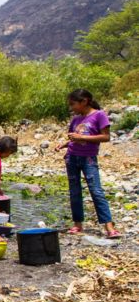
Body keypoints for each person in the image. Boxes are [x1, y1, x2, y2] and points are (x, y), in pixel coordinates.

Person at [55, 89, 121, 239]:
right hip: (72, 157)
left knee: (96, 190)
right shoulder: (76, 119)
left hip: (88, 159)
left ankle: (109, 227)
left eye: (73, 104)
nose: (72, 108)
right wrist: (63, 144)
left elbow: (106, 137)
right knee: (74, 191)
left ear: (84, 101)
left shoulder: (99, 115)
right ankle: (78, 225)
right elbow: (75, 138)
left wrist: (79, 137)